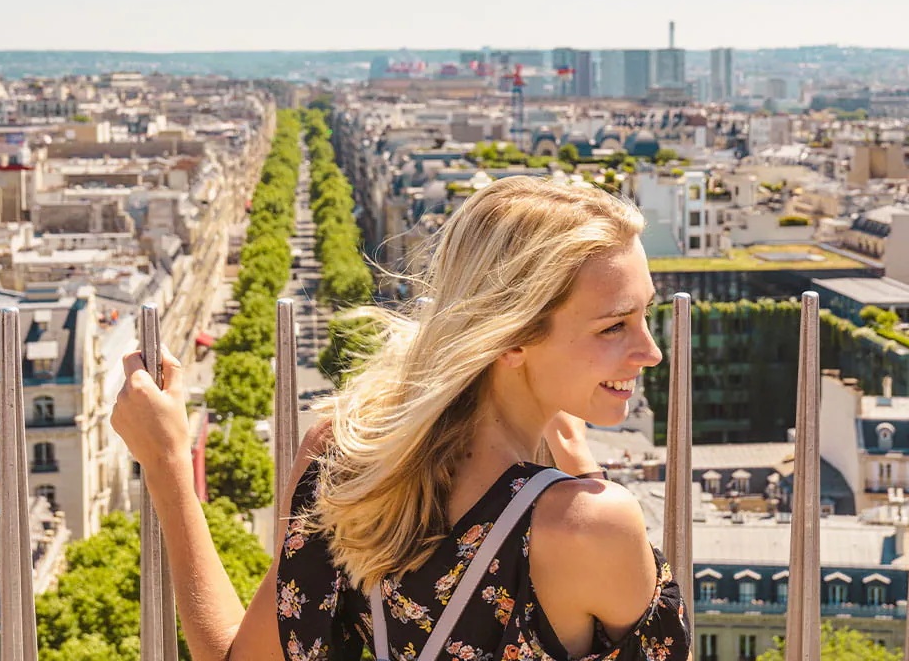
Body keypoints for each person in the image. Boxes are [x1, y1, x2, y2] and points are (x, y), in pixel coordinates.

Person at [112, 176, 689, 661]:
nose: (651, 350)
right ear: (511, 336)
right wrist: (580, 466)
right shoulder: (590, 522)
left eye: (646, 316)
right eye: (614, 325)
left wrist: (165, 466)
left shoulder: (344, 455)